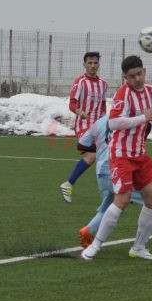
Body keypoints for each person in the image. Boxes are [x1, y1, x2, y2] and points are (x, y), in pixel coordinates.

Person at [81, 55, 152, 260]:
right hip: (120, 155)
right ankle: (95, 245)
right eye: (131, 76)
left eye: (139, 74)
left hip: (139, 155)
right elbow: (114, 123)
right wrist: (143, 118)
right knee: (122, 200)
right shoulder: (122, 95)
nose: (136, 79)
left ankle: (139, 247)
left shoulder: (150, 90)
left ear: (144, 71)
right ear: (125, 77)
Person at [78, 116, 152, 256]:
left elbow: (82, 145)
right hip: (118, 168)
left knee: (113, 206)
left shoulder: (101, 121)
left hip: (102, 173)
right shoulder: (135, 120)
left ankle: (88, 231)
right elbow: (134, 148)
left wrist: (101, 150)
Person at [60, 51, 108, 203]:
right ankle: (68, 184)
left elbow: (103, 104)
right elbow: (72, 103)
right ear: (84, 64)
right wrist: (79, 111)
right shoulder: (80, 82)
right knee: (95, 155)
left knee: (108, 155)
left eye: (95, 63)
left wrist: (103, 115)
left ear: (98, 64)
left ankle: (122, 189)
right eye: (90, 63)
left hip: (97, 126)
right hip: (83, 125)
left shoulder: (103, 84)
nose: (93, 66)